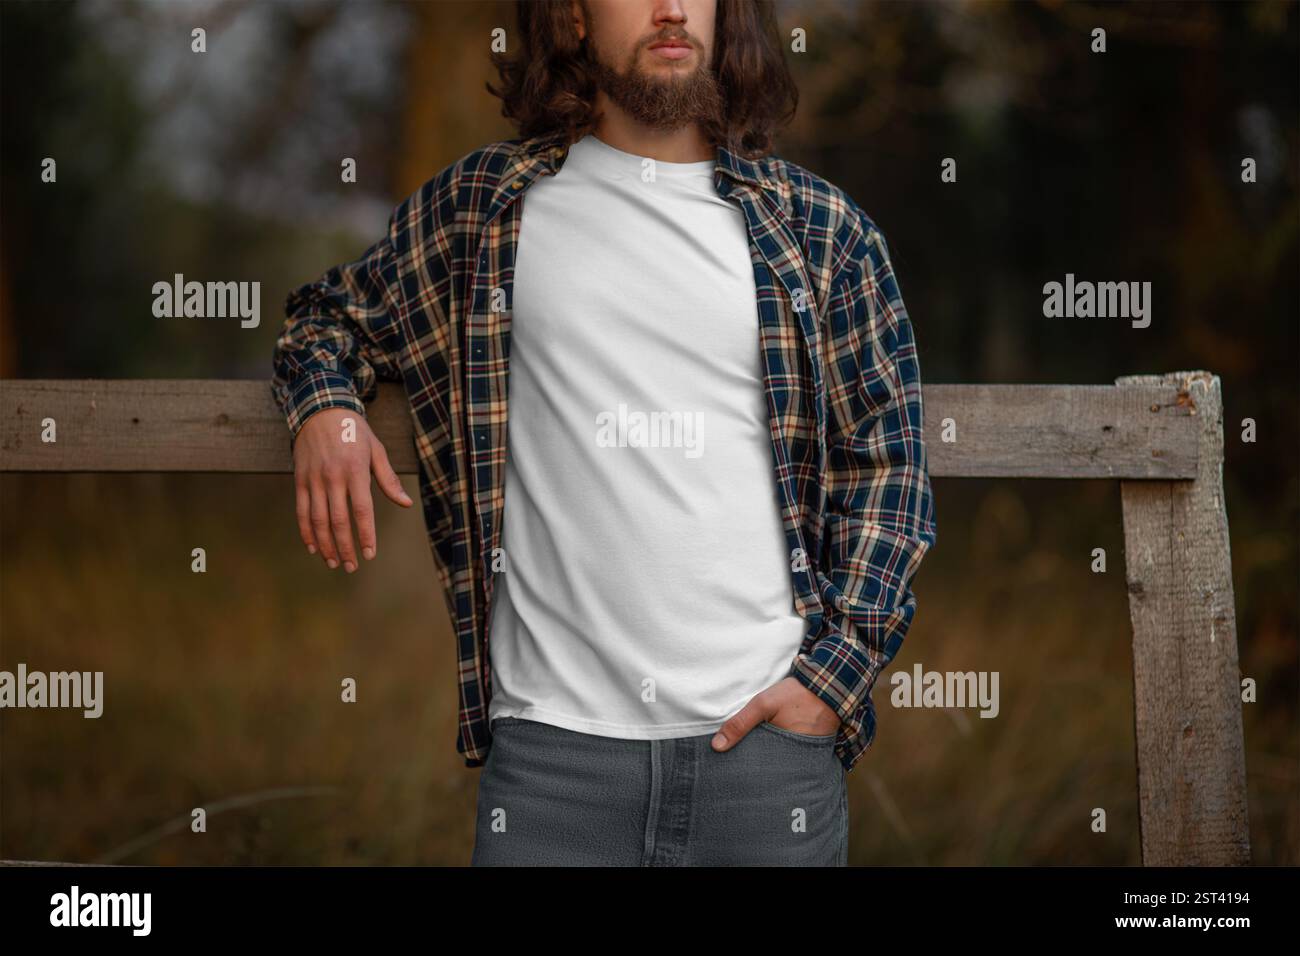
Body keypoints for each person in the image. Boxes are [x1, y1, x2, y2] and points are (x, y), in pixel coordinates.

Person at [270, 0, 936, 866]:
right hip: (553, 767)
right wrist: (326, 407)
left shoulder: (819, 232)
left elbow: (890, 461)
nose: (670, 9)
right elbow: (325, 320)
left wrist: (830, 682)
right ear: (575, 17)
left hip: (768, 764)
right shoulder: (487, 209)